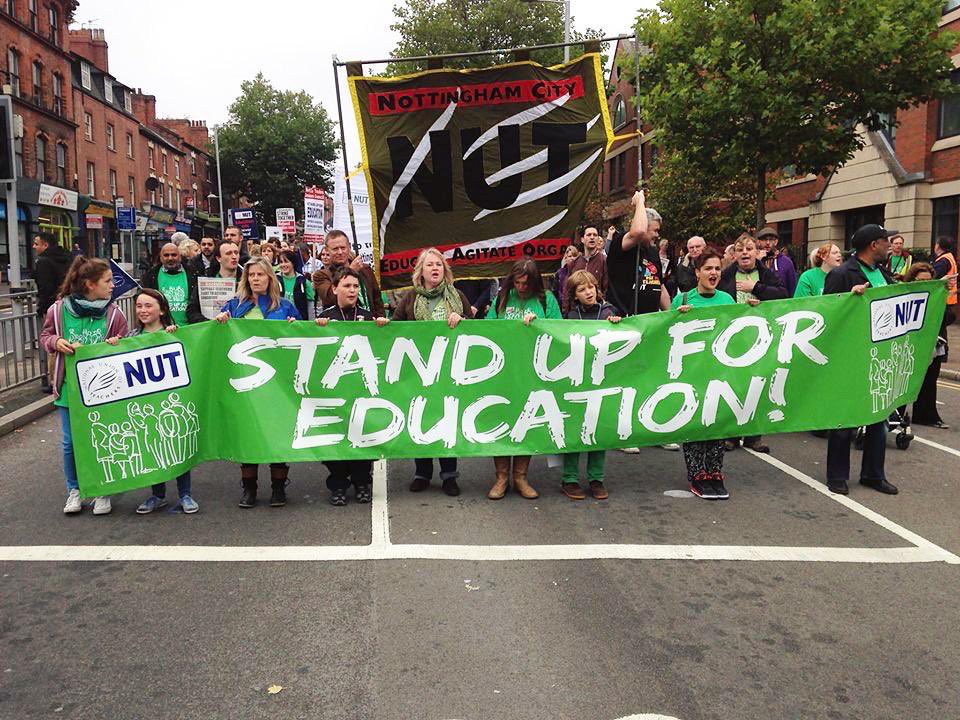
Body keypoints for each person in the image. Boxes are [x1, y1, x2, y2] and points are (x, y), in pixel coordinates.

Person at [40, 257, 128, 515]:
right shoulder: (58, 310)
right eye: (108, 281)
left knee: (102, 439)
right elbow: (46, 336)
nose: (113, 286)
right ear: (90, 284)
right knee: (70, 443)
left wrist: (117, 342)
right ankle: (74, 490)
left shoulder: (114, 313)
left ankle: (102, 489)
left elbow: (127, 343)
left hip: (104, 390)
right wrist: (57, 342)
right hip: (70, 387)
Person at [215, 257, 301, 508]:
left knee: (277, 432)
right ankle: (249, 489)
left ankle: (278, 488)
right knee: (249, 433)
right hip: (245, 380)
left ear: (269, 278)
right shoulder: (234, 306)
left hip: (277, 382)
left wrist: (295, 327)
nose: (255, 279)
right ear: (246, 279)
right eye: (251, 275)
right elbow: (219, 338)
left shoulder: (284, 307)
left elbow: (303, 338)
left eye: (260, 275)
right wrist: (221, 322)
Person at [823, 223, 900, 496]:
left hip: (879, 358)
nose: (889, 245)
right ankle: (837, 476)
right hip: (849, 357)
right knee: (845, 419)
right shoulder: (843, 274)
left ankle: (873, 474)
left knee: (879, 418)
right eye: (885, 241)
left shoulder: (884, 274)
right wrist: (849, 298)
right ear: (872, 245)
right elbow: (827, 312)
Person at [391, 248, 471, 495]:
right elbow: (395, 327)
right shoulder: (410, 298)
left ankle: (449, 475)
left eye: (439, 264)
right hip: (418, 369)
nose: (435, 268)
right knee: (421, 416)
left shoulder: (457, 296)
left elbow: (476, 328)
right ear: (421, 271)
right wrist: (384, 324)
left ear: (444, 270)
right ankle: (422, 472)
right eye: (430, 265)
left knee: (447, 416)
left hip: (449, 369)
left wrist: (463, 319)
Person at [485, 259, 562, 500]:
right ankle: (501, 477)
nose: (520, 288)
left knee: (525, 423)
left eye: (525, 284)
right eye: (517, 282)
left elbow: (560, 330)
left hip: (532, 371)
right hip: (504, 371)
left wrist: (538, 325)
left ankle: (520, 476)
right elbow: (487, 329)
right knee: (501, 419)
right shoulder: (502, 298)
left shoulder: (546, 299)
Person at [315, 267, 390, 505]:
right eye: (347, 286)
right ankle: (337, 485)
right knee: (337, 436)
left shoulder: (368, 316)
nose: (352, 290)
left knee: (361, 435)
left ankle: (362, 483)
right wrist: (316, 328)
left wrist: (383, 328)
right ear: (335, 288)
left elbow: (383, 349)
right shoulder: (325, 316)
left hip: (360, 390)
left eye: (356, 287)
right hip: (335, 391)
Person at [128, 289, 199, 514]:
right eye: (139, 306)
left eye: (148, 305)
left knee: (177, 445)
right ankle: (157, 495)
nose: (143, 310)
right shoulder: (131, 338)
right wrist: (112, 344)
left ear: (162, 309)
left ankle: (185, 494)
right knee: (153, 448)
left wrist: (177, 335)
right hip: (147, 404)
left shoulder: (176, 333)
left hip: (171, 402)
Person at [719, 235, 787, 453]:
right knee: (733, 386)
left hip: (760, 337)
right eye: (740, 250)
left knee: (757, 384)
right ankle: (731, 434)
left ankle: (753, 436)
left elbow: (783, 295)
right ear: (734, 254)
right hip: (733, 338)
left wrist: (756, 288)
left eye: (750, 249)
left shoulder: (767, 275)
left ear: (757, 252)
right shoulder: (725, 275)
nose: (745, 253)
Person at [560, 269, 621, 500]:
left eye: (591, 287)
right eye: (582, 289)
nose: (588, 292)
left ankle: (596, 478)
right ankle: (570, 479)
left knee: (598, 426)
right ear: (574, 295)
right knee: (575, 428)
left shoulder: (608, 312)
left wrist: (617, 325)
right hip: (576, 380)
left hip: (601, 379)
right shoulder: (570, 317)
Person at [606, 191, 671, 317]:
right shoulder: (620, 243)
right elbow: (639, 231)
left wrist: (670, 315)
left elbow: (660, 286)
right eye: (655, 230)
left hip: (649, 322)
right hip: (623, 321)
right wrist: (640, 200)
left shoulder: (652, 251)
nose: (658, 235)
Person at [902, 263, 949, 429]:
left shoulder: (935, 294)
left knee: (930, 379)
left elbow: (948, 317)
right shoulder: (904, 294)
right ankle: (896, 416)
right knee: (903, 379)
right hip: (910, 344)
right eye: (921, 280)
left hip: (932, 344)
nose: (926, 283)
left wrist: (941, 296)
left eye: (929, 280)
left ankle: (925, 415)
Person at [32, 232, 73, 393]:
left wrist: (43, 309)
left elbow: (45, 288)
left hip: (53, 307)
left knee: (53, 346)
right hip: (69, 305)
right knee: (67, 341)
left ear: (45, 245)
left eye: (36, 244)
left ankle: (54, 381)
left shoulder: (43, 262)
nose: (34, 247)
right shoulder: (66, 257)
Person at [313, 230, 385, 316]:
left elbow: (377, 299)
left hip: (369, 323)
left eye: (343, 248)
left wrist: (380, 320)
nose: (340, 252)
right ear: (327, 250)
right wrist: (350, 271)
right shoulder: (321, 275)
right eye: (335, 249)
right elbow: (330, 299)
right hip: (340, 324)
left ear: (349, 247)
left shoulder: (364, 269)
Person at [186, 239, 243, 324]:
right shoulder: (205, 280)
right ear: (218, 258)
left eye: (236, 252)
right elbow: (192, 311)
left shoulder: (246, 281)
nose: (234, 256)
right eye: (228, 253)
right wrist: (209, 323)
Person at [142, 242, 191, 327]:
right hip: (162, 331)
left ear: (180, 257)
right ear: (161, 258)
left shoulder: (193, 274)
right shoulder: (150, 276)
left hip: (189, 329)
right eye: (166, 255)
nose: (170, 258)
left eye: (174, 255)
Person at [562, 226, 608, 313]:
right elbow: (567, 290)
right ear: (582, 239)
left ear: (598, 239)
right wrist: (566, 312)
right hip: (577, 312)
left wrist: (604, 310)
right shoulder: (574, 263)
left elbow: (606, 288)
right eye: (589, 235)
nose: (592, 237)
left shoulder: (604, 261)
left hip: (597, 312)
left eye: (595, 235)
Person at [757, 226, 798, 296]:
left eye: (771, 240)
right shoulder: (753, 261)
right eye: (764, 239)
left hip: (781, 304)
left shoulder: (786, 262)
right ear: (759, 242)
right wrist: (757, 261)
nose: (767, 243)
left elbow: (792, 288)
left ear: (776, 242)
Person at [277, 249, 314, 320]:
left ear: (293, 263)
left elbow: (310, 308)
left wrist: (311, 325)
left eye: (286, 261)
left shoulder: (304, 282)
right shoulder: (274, 280)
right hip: (280, 323)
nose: (283, 265)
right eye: (281, 262)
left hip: (299, 324)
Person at [931, 235, 958, 326]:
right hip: (948, 298)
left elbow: (933, 279)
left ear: (938, 246)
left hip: (942, 299)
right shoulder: (950, 257)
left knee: (938, 327)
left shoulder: (943, 261)